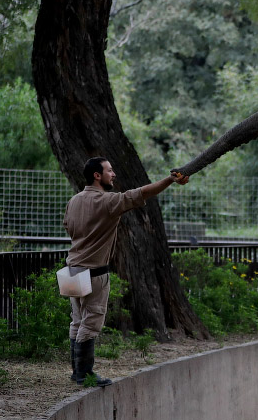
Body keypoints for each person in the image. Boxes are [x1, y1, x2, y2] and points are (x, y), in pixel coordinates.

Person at [63, 157, 189, 387]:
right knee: (90, 323)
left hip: (72, 268)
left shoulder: (74, 201)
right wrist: (170, 179)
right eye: (110, 170)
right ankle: (84, 373)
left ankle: (76, 372)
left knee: (77, 321)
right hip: (94, 272)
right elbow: (141, 193)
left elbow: (68, 227)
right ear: (97, 175)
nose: (114, 174)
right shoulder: (108, 201)